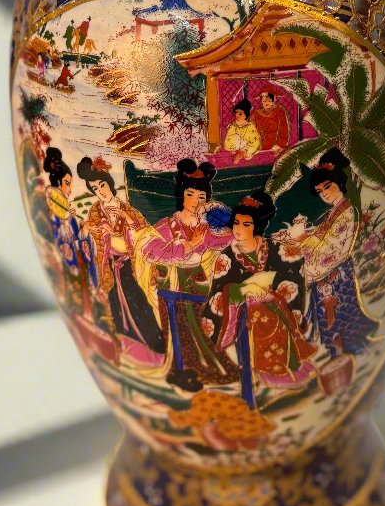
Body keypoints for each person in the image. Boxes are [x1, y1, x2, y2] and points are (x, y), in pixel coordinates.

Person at [138, 160, 240, 391]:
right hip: (168, 283)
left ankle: (210, 369)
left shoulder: (207, 228)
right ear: (182, 195)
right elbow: (149, 251)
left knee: (198, 327)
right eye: (190, 194)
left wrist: (230, 226)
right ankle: (181, 371)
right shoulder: (167, 225)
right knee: (174, 329)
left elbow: (226, 239)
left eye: (202, 197)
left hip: (194, 281)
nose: (196, 201)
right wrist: (189, 245)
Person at [204, 189, 316, 394]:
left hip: (276, 303)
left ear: (257, 226)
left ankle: (289, 364)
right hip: (244, 312)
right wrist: (244, 291)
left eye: (246, 224)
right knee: (258, 312)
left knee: (272, 308)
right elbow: (219, 293)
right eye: (236, 223)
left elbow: (292, 271)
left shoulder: (276, 248)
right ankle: (267, 370)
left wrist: (271, 292)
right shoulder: (226, 258)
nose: (239, 229)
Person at [278, 147, 377, 356]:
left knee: (340, 316)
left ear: (339, 183)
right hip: (328, 273)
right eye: (320, 191)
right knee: (330, 318)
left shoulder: (346, 211)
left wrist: (302, 242)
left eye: (327, 187)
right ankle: (338, 352)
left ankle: (349, 350)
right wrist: (300, 239)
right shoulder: (335, 211)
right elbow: (321, 233)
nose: (325, 194)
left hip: (336, 273)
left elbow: (330, 246)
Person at [77, 157, 165, 366]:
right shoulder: (95, 211)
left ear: (110, 184)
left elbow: (143, 233)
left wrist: (125, 221)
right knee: (116, 305)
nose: (101, 191)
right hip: (109, 265)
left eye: (102, 185)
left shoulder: (126, 209)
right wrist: (92, 229)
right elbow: (88, 238)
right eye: (95, 189)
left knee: (138, 302)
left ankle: (153, 350)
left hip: (128, 266)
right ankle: (125, 345)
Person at [42, 147, 91, 315]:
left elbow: (76, 235)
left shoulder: (65, 209)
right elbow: (59, 234)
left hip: (75, 253)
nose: (70, 189)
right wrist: (66, 218)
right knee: (76, 287)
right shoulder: (55, 207)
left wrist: (83, 228)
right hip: (68, 254)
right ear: (58, 182)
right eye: (67, 184)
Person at [252, 87, 290, 153]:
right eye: (263, 99)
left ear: (274, 99)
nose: (266, 101)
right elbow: (250, 128)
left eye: (268, 98)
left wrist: (280, 145)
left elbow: (283, 129)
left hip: (274, 147)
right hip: (257, 147)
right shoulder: (256, 113)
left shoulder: (279, 111)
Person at [222, 98, 261, 163]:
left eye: (240, 114)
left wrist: (244, 152)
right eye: (236, 112)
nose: (237, 115)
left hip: (246, 151)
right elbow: (228, 140)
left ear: (246, 115)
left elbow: (255, 142)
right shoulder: (232, 126)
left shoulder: (250, 126)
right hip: (234, 150)